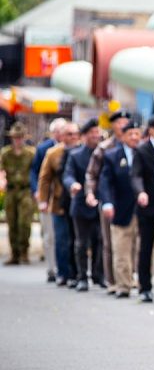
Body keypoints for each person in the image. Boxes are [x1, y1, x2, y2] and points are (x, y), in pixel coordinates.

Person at [85, 110, 131, 294]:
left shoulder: (135, 143)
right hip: (109, 199)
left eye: (125, 121)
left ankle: (128, 277)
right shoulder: (104, 147)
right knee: (109, 242)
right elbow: (92, 174)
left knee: (132, 241)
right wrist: (90, 194)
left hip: (129, 200)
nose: (122, 124)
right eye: (119, 122)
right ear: (113, 125)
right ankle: (112, 280)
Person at [63, 118, 104, 291]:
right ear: (84, 136)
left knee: (100, 241)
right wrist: (72, 185)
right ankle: (81, 276)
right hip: (80, 204)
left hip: (99, 202)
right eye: (92, 133)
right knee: (81, 242)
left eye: (97, 132)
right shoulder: (75, 155)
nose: (96, 136)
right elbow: (68, 175)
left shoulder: (104, 153)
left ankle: (98, 274)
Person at [131, 114, 154, 303]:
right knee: (146, 246)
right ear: (151, 130)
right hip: (148, 205)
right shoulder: (141, 149)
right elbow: (135, 175)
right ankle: (145, 287)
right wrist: (141, 192)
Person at [37, 122, 81, 286]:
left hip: (78, 202)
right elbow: (45, 178)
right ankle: (63, 272)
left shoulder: (82, 151)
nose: (73, 137)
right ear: (62, 136)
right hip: (59, 202)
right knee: (61, 239)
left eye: (75, 134)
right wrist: (43, 200)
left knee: (77, 239)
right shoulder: (53, 153)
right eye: (69, 134)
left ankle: (77, 273)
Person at [31, 118, 67, 280]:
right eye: (59, 131)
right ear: (53, 133)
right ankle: (52, 268)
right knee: (50, 235)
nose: (62, 134)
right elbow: (36, 173)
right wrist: (38, 193)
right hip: (49, 196)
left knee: (63, 235)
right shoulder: (44, 149)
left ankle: (64, 269)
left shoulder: (71, 148)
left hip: (64, 198)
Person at [0, 122, 36, 265]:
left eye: (20, 137)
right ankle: (14, 254)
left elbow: (35, 172)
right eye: (15, 137)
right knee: (12, 222)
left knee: (24, 222)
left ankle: (24, 252)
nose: (18, 140)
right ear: (12, 138)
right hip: (11, 190)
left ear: (24, 138)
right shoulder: (5, 153)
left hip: (25, 190)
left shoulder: (31, 153)